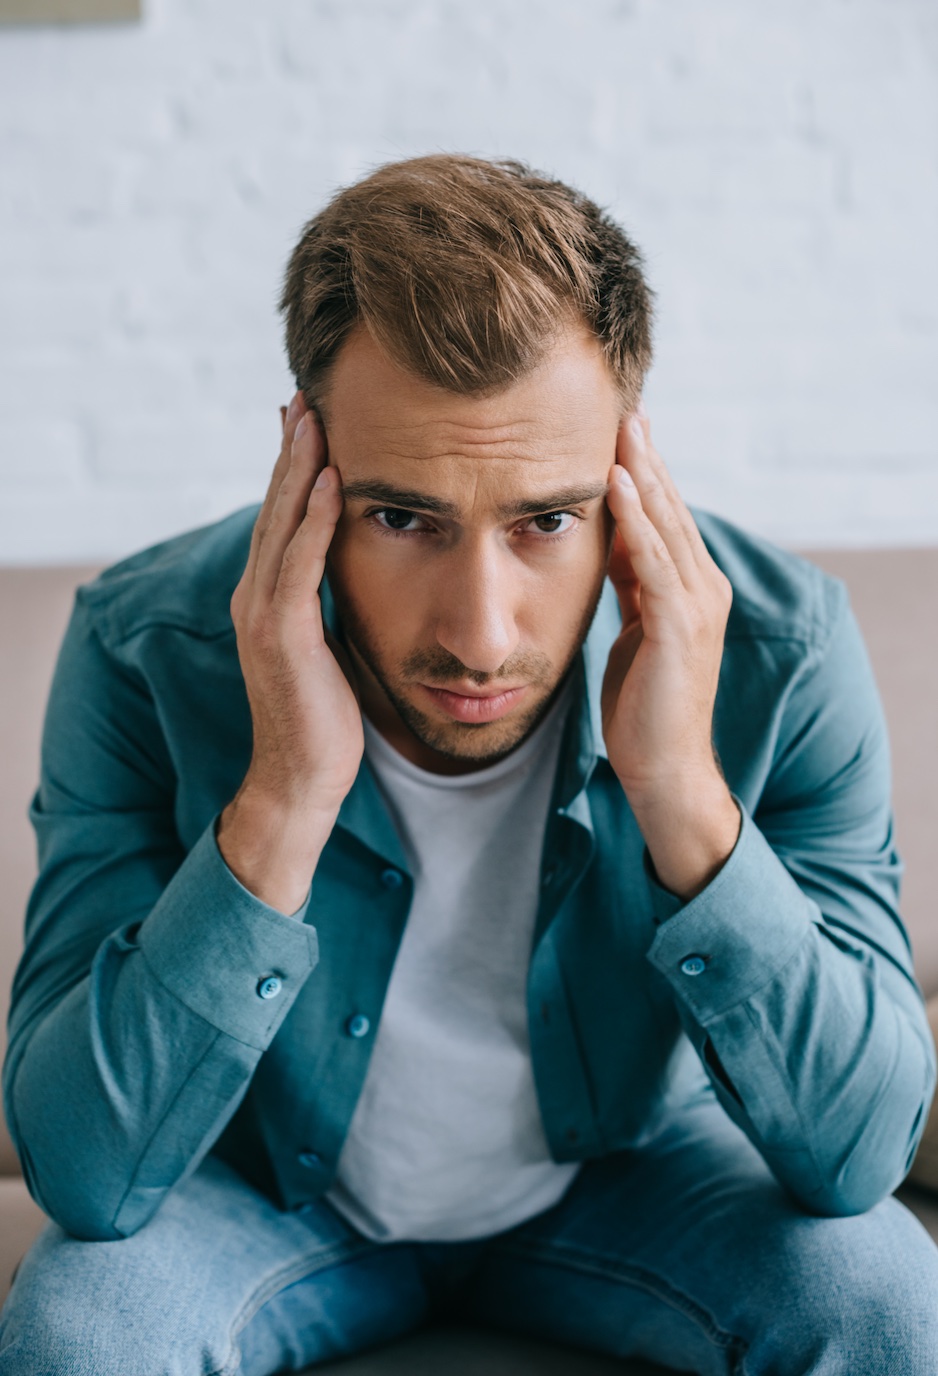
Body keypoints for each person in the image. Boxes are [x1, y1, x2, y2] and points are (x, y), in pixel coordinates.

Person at [1, 153, 937, 1376]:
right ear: (307, 463)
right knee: (84, 1327)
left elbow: (859, 1154)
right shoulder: (144, 646)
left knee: (884, 1299)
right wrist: (283, 794)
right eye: (402, 518)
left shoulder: (776, 648)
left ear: (624, 468)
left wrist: (679, 795)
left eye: (544, 520)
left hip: (632, 1175)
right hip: (258, 1190)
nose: (479, 635)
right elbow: (87, 1172)